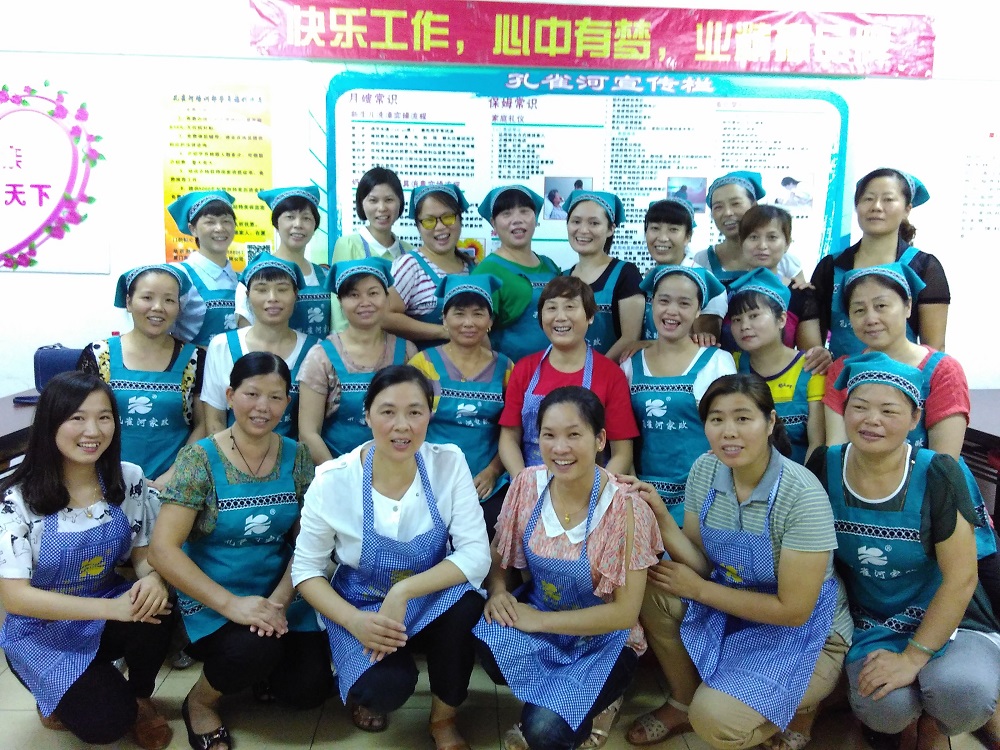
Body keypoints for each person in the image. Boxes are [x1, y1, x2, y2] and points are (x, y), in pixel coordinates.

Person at [625, 374, 852, 750]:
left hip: (806, 632)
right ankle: (683, 700)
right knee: (655, 586)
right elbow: (701, 563)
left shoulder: (802, 495)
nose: (728, 431)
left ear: (770, 422)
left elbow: (794, 611)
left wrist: (700, 590)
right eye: (716, 419)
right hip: (733, 607)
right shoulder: (705, 469)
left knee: (715, 721)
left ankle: (804, 706)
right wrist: (661, 517)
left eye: (743, 418)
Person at [807, 352, 1000, 750]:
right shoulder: (824, 466)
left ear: (915, 419)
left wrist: (912, 658)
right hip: (872, 619)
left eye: (888, 410)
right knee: (885, 708)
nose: (871, 420)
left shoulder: (938, 473)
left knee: (964, 693)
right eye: (859, 407)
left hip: (951, 617)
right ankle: (902, 725)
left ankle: (935, 725)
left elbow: (961, 577)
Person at [293, 365, 490, 750]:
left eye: (415, 412)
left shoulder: (448, 463)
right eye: (387, 412)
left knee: (466, 606)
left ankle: (444, 719)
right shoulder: (334, 479)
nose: (402, 426)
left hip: (428, 596)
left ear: (430, 414)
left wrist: (403, 592)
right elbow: (305, 570)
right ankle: (363, 683)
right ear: (366, 415)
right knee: (384, 688)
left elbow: (475, 554)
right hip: (362, 604)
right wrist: (354, 620)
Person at [149, 352, 331, 750]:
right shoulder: (199, 459)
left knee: (307, 691)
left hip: (279, 594)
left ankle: (258, 670)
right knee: (254, 648)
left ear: (287, 403)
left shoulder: (298, 456)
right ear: (230, 396)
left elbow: (309, 542)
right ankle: (200, 701)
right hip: (215, 599)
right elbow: (162, 550)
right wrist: (233, 605)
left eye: (275, 397)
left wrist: (278, 602)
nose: (263, 407)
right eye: (251, 394)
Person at [474, 386, 663, 750]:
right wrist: (497, 591)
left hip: (605, 639)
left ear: (600, 440)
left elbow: (624, 614)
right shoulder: (527, 485)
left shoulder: (626, 509)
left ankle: (592, 703)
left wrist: (539, 621)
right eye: (549, 435)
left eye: (574, 435)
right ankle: (557, 700)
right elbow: (500, 552)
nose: (560, 448)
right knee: (487, 641)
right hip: (543, 618)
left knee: (544, 733)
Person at [0, 372, 173, 749]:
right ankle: (56, 689)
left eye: (104, 417)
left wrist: (152, 579)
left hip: (104, 609)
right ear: (50, 423)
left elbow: (142, 553)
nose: (92, 431)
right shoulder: (17, 500)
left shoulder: (128, 478)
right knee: (106, 724)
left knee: (157, 608)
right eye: (77, 418)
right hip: (40, 627)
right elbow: (15, 598)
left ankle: (139, 698)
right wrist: (113, 609)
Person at [822, 263, 1000, 605]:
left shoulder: (942, 370)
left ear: (907, 307)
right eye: (858, 310)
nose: (870, 318)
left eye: (881, 305)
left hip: (936, 507)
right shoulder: (841, 370)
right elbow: (836, 451)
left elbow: (944, 464)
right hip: (862, 506)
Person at [623, 266, 735, 525]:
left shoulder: (718, 362)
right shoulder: (630, 364)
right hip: (642, 496)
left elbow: (727, 431)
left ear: (698, 311)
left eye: (684, 303)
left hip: (703, 497)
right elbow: (623, 436)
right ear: (651, 304)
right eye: (664, 301)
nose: (672, 311)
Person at [78, 264, 205, 489]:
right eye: (147, 297)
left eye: (169, 300)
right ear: (128, 302)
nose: (158, 308)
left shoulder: (194, 358)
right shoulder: (98, 355)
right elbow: (81, 421)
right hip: (106, 481)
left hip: (174, 484)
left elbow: (203, 425)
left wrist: (172, 475)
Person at [498, 276, 639, 477]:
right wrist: (524, 482)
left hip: (591, 485)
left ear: (590, 316)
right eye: (551, 308)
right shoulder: (524, 369)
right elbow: (509, 438)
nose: (560, 317)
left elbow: (622, 453)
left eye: (570, 307)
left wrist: (597, 490)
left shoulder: (611, 374)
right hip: (532, 481)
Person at [408, 274, 513, 536]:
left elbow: (512, 431)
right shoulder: (422, 364)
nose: (468, 323)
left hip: (487, 485)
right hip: (427, 480)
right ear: (444, 319)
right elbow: (407, 425)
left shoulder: (506, 368)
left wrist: (493, 471)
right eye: (459, 313)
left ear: (490, 321)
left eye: (478, 314)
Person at [810, 168, 948, 359]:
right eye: (868, 199)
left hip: (904, 375)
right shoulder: (831, 266)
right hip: (840, 375)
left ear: (907, 209)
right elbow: (813, 342)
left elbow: (933, 349)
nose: (876, 206)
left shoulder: (924, 267)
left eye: (888, 199)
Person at [297, 257, 417, 464]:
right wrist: (340, 475)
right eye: (354, 295)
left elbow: (417, 418)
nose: (365, 302)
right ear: (340, 302)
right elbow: (308, 433)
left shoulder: (407, 352)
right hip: (336, 468)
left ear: (387, 298)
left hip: (397, 469)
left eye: (373, 293)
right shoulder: (321, 357)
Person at [202, 256, 319, 439]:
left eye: (282, 289)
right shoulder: (222, 346)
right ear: (248, 295)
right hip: (232, 452)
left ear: (295, 295)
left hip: (292, 454)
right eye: (262, 289)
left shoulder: (315, 350)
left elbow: (312, 428)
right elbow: (215, 421)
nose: (272, 298)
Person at [728, 269, 826, 465]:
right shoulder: (730, 365)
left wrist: (800, 483)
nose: (744, 326)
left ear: (781, 319)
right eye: (737, 319)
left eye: (754, 316)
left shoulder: (811, 368)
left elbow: (817, 443)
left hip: (799, 478)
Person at [472, 185, 561, 362]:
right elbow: (475, 330)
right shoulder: (486, 272)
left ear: (535, 217)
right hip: (511, 372)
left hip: (556, 368)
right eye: (506, 213)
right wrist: (498, 370)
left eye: (524, 211)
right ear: (493, 223)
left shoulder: (549, 265)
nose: (517, 220)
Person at [737, 205, 830, 372]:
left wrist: (822, 355)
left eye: (772, 237)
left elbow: (812, 357)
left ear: (787, 244)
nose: (762, 245)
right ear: (741, 242)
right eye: (753, 237)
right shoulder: (727, 292)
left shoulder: (800, 294)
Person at [383, 184, 475, 347]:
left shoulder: (472, 267)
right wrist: (443, 331)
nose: (440, 227)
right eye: (429, 221)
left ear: (460, 219)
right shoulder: (410, 265)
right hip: (423, 361)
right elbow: (386, 317)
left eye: (448, 217)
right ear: (418, 226)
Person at [234, 185, 331, 338]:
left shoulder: (326, 276)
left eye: (306, 218)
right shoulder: (253, 278)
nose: (298, 224)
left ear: (315, 225)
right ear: (276, 223)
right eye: (290, 217)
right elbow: (247, 340)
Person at [330, 167, 413, 333]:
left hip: (401, 341)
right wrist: (341, 343)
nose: (381, 208)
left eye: (389, 200)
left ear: (400, 202)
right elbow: (337, 304)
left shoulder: (409, 251)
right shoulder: (348, 245)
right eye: (373, 200)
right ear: (362, 203)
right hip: (357, 343)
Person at [563, 189, 644, 360]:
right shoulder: (562, 278)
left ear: (610, 229)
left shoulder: (626, 274)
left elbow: (630, 338)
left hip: (611, 373)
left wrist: (594, 371)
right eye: (576, 221)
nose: (583, 230)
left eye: (594, 223)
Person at [693, 172, 804, 290]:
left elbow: (799, 292)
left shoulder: (783, 260)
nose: (727, 213)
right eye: (718, 207)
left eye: (736, 203)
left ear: (754, 205)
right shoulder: (702, 260)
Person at [641, 198, 727, 342]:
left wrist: (643, 346)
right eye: (655, 228)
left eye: (673, 229)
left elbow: (703, 343)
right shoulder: (646, 279)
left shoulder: (705, 283)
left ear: (688, 236)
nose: (662, 238)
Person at [167, 190, 240, 347]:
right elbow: (162, 334)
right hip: (193, 362)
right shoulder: (179, 276)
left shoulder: (242, 279)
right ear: (193, 229)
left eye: (226, 221)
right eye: (210, 222)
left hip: (239, 362)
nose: (220, 228)